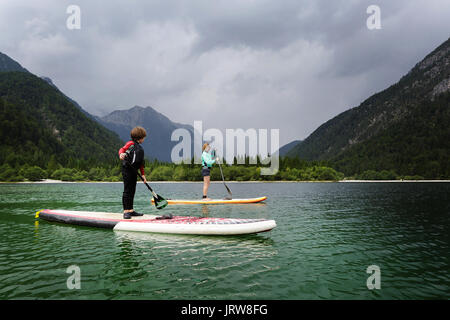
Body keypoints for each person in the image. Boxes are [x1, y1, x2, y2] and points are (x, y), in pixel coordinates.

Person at [118, 126, 147, 219]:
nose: (144, 139)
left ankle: (131, 210)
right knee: (127, 190)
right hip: (127, 170)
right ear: (140, 137)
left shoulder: (140, 149)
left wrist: (143, 175)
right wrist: (121, 154)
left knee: (132, 190)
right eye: (144, 137)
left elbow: (141, 164)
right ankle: (126, 211)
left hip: (134, 171)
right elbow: (122, 149)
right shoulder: (131, 144)